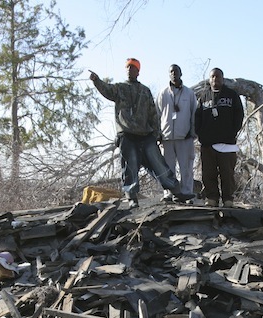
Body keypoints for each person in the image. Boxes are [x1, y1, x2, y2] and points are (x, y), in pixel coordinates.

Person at [89, 58, 181, 206]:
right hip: (127, 134)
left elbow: (153, 113)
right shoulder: (120, 88)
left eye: (133, 68)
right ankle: (131, 196)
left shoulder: (145, 90)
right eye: (128, 68)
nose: (129, 70)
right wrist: (96, 80)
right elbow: (106, 90)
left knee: (158, 163)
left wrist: (156, 133)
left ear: (138, 72)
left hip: (145, 135)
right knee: (130, 166)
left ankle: (175, 189)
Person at [195, 67, 244, 208]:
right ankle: (212, 198)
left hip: (227, 143)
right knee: (208, 173)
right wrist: (201, 134)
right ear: (209, 79)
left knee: (227, 173)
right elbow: (197, 117)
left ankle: (228, 200)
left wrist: (232, 131)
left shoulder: (232, 95)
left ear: (222, 78)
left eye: (218, 76)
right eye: (212, 77)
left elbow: (239, 114)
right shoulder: (203, 97)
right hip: (208, 144)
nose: (215, 79)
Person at [156, 64, 197, 202]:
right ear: (169, 74)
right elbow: (157, 114)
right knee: (167, 169)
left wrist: (192, 132)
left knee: (186, 168)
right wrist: (158, 133)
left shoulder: (189, 93)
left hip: (184, 137)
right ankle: (169, 193)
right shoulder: (163, 93)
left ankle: (186, 193)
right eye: (171, 72)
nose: (174, 74)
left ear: (181, 73)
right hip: (167, 137)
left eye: (176, 71)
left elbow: (194, 114)